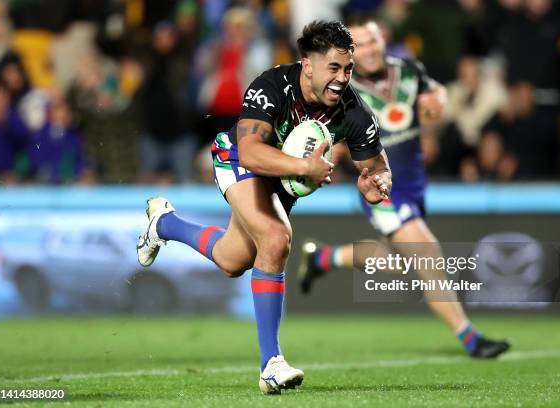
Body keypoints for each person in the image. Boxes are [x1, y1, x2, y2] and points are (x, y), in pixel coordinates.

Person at [137, 21, 391, 394]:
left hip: (280, 181)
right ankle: (271, 363)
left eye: (348, 69)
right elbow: (253, 152)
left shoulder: (353, 110)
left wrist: (377, 184)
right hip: (239, 158)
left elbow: (378, 167)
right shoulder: (272, 86)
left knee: (232, 260)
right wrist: (305, 167)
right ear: (308, 65)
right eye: (334, 68)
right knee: (275, 238)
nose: (342, 78)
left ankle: (164, 224)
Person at [298, 19, 510, 359]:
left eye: (371, 41)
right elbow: (326, 133)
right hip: (381, 187)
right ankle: (471, 338)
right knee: (428, 253)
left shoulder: (408, 70)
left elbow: (435, 91)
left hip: (414, 185)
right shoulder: (341, 91)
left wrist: (437, 100)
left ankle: (324, 257)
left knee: (396, 263)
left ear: (383, 41)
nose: (366, 50)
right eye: (358, 45)